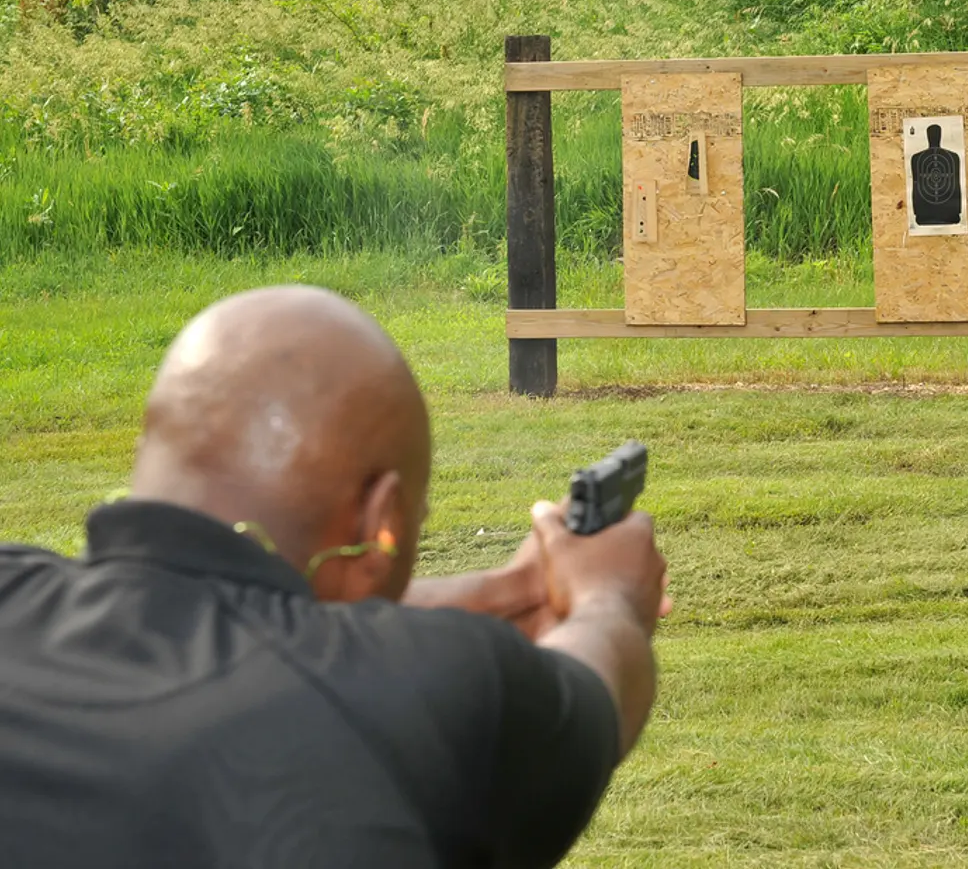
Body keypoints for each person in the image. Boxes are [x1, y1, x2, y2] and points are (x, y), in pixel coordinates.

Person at [0, 286, 669, 869]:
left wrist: (511, 590)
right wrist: (608, 594)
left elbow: (255, 624)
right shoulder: (418, 696)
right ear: (380, 525)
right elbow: (599, 697)